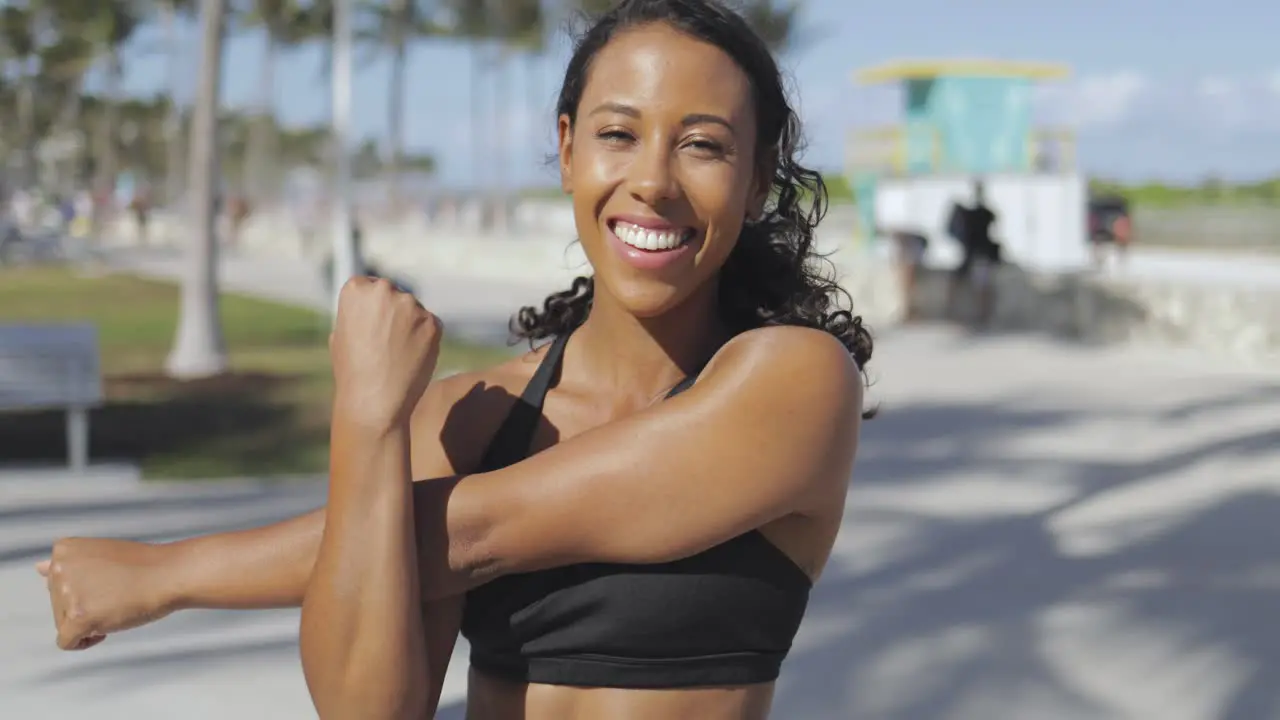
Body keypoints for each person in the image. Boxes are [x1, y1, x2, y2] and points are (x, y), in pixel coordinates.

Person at [36, 2, 873, 718]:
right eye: (619, 133)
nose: (652, 181)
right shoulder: (473, 414)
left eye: (703, 145)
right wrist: (369, 416)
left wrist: (164, 574)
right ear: (569, 147)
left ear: (760, 176)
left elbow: (479, 531)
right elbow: (368, 708)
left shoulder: (795, 383)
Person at [944, 179, 1001, 328]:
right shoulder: (979, 213)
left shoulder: (981, 213)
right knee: (971, 284)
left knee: (981, 286)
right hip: (974, 255)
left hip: (979, 255)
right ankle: (963, 314)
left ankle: (982, 315)